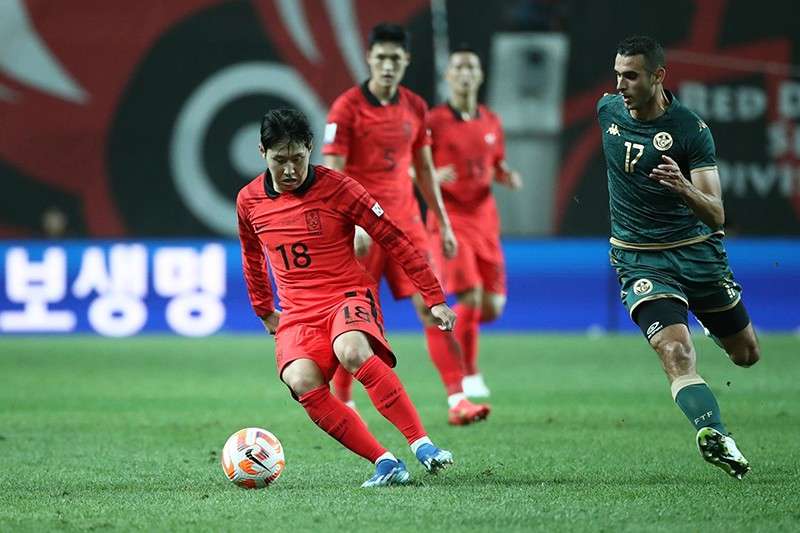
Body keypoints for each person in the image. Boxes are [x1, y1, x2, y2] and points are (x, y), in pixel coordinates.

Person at [237, 108, 455, 487]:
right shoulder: (249, 201)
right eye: (279, 160)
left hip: (346, 293)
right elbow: (251, 256)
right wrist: (262, 309)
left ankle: (422, 444)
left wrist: (433, 295)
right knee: (301, 380)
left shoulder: (341, 188)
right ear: (261, 152)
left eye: (297, 158)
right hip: (298, 310)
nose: (289, 170)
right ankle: (385, 462)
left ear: (310, 148)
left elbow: (393, 237)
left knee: (352, 350)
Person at [597, 36, 761, 479]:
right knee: (674, 348)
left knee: (746, 354)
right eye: (617, 75)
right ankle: (715, 434)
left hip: (696, 254)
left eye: (631, 76)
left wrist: (684, 187)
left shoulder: (691, 130)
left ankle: (706, 316)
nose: (621, 85)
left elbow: (716, 213)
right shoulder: (607, 111)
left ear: (658, 77)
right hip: (640, 260)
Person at [323, 23, 490, 425]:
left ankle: (457, 399)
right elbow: (333, 171)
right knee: (357, 317)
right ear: (369, 59)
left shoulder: (415, 107)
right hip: (361, 231)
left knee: (433, 306)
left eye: (395, 58)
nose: (387, 65)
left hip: (408, 227)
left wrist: (444, 223)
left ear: (406, 61)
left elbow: (425, 168)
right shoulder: (346, 108)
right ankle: (344, 398)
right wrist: (350, 223)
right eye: (380, 57)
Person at [427, 45, 523, 398]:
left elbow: (493, 163)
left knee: (492, 307)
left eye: (472, 67)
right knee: (471, 294)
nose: (465, 74)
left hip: (485, 220)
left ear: (480, 76)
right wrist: (433, 175)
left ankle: (448, 326)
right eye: (459, 68)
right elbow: (411, 167)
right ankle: (469, 374)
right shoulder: (432, 122)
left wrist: (505, 175)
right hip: (450, 220)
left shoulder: (491, 122)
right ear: (448, 76)